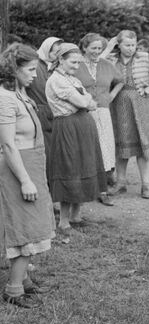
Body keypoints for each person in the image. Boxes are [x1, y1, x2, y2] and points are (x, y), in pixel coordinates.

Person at [0, 43, 55, 308]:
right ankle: (13, 290)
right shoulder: (4, 98)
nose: (35, 74)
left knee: (33, 223)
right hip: (17, 168)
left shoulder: (20, 92)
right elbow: (8, 145)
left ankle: (23, 280)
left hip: (32, 163)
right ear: (14, 70)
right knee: (22, 225)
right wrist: (24, 180)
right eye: (31, 69)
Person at [46, 43, 107, 233]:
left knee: (84, 165)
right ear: (61, 60)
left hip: (82, 125)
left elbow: (92, 102)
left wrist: (86, 102)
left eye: (79, 62)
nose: (76, 66)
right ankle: (63, 221)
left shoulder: (72, 79)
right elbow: (84, 101)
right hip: (67, 126)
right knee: (70, 168)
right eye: (73, 62)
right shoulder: (56, 80)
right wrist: (85, 102)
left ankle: (76, 215)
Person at [107, 30, 149, 199]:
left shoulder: (144, 57)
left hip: (142, 102)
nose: (130, 48)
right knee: (122, 144)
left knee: (143, 145)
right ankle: (120, 182)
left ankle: (146, 185)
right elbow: (96, 67)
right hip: (120, 104)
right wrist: (108, 48)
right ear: (118, 45)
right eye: (126, 45)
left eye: (133, 45)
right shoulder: (111, 59)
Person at [76, 33, 124, 206]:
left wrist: (111, 95)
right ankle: (85, 187)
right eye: (93, 48)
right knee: (86, 148)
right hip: (83, 112)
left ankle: (102, 190)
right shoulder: (76, 64)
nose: (97, 51)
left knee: (104, 149)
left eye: (99, 48)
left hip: (103, 111)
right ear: (84, 48)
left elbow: (120, 80)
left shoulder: (106, 64)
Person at [26, 36, 63, 185]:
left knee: (56, 153)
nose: (57, 57)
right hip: (38, 113)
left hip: (55, 113)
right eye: (54, 53)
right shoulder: (35, 65)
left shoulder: (56, 67)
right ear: (47, 50)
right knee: (44, 152)